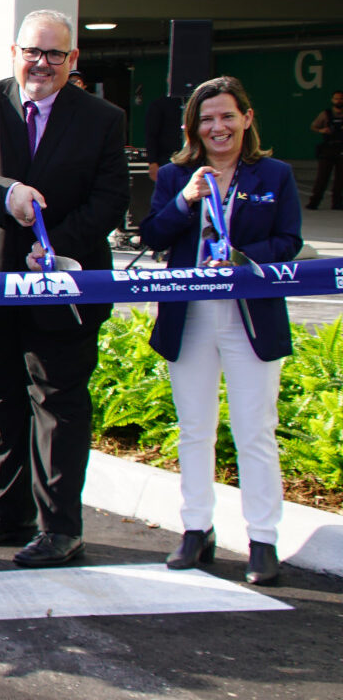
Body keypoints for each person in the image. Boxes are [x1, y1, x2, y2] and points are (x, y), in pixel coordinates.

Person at [0, 10, 129, 568]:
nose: (41, 64)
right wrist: (9, 193)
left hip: (64, 284)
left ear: (73, 61)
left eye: (54, 55)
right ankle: (10, 514)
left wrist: (57, 243)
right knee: (0, 400)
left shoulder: (102, 118)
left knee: (59, 404)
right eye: (32, 52)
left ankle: (60, 528)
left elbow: (111, 196)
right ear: (15, 52)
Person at [140, 77, 298, 586]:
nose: (218, 127)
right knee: (194, 429)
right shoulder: (177, 175)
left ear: (246, 119)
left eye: (227, 116)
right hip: (191, 316)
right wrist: (185, 199)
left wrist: (243, 261)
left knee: (255, 431)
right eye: (207, 119)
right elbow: (153, 234)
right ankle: (196, 529)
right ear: (194, 126)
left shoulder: (275, 174)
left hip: (251, 316)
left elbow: (289, 240)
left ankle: (263, 538)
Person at [307, 91, 343, 209]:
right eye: (336, 99)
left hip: (341, 148)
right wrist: (322, 130)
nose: (338, 101)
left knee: (340, 179)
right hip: (328, 148)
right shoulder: (326, 114)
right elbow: (313, 126)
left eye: (340, 99)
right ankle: (314, 202)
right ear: (332, 100)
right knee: (322, 177)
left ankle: (337, 203)